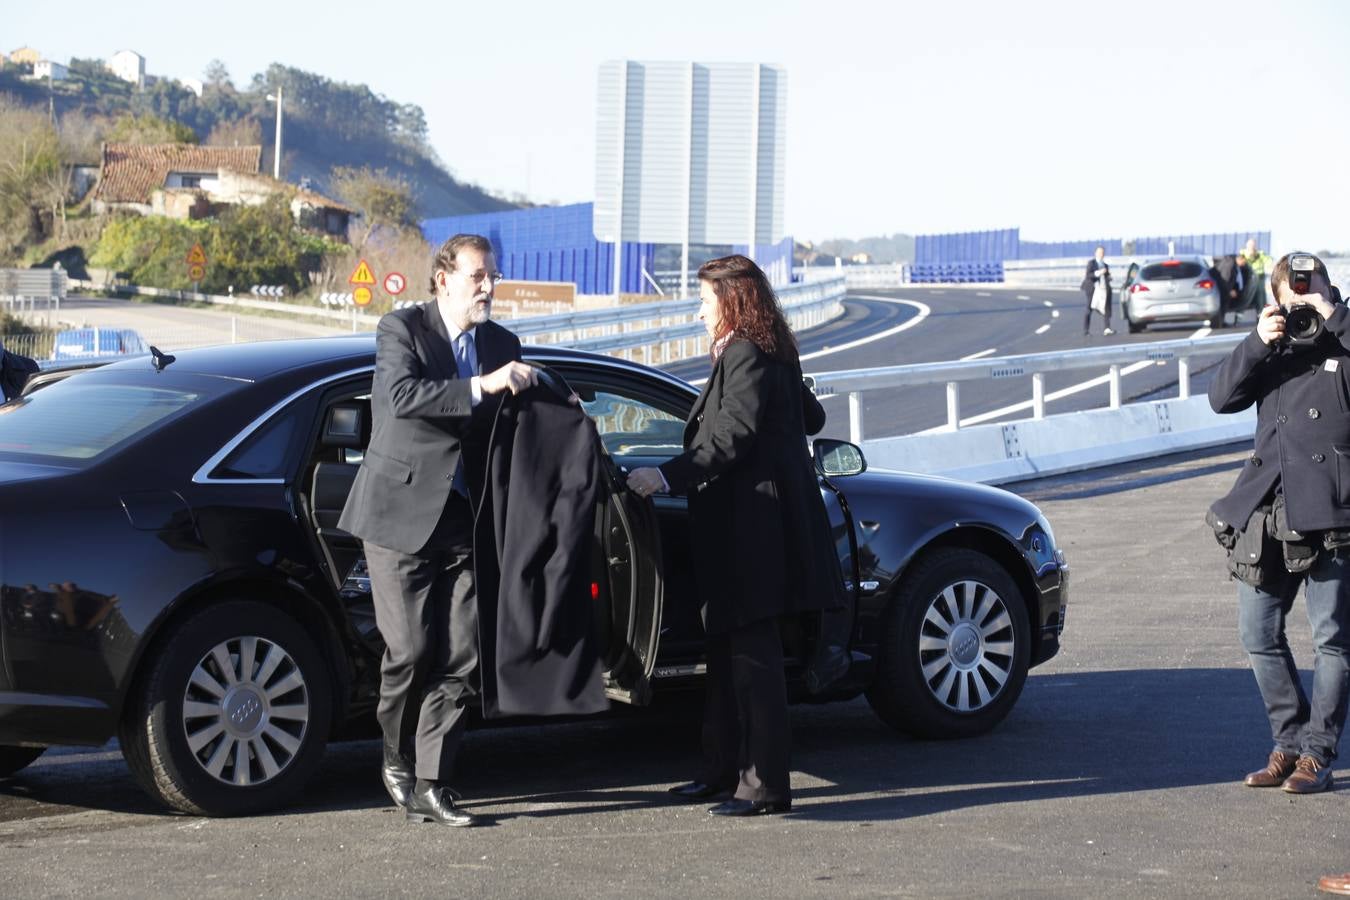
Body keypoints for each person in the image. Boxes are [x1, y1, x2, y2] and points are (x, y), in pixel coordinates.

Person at [625, 255, 844, 817]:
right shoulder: (770, 351)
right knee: (726, 659)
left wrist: (666, 475)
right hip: (746, 530)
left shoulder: (747, 352)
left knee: (753, 663)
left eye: (705, 301)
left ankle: (766, 785)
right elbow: (811, 420)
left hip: (754, 533)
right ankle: (722, 772)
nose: (699, 314)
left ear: (733, 300)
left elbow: (730, 438)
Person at [337, 233, 538, 827]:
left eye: (494, 276)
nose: (489, 287)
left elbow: (509, 426)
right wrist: (483, 385)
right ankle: (395, 755)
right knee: (412, 652)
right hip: (399, 517)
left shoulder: (501, 342)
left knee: (464, 655)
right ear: (444, 278)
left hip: (465, 519)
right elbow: (400, 397)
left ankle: (434, 780)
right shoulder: (402, 330)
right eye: (478, 276)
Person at [1206, 251, 1350, 795]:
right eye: (1290, 301)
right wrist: (1257, 342)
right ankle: (1288, 743)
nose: (1301, 311)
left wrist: (1333, 317)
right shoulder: (1273, 347)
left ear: (1330, 291)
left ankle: (1318, 754)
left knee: (1333, 640)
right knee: (1257, 633)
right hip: (1268, 512)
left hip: (1333, 511)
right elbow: (1221, 398)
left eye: (1309, 297)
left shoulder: (1343, 338)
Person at [1081, 246, 1114, 337]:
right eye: (1099, 252)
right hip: (1092, 289)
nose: (1101, 254)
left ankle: (1107, 328)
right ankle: (1086, 330)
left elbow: (1107, 276)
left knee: (1106, 308)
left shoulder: (1105, 265)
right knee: (1089, 308)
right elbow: (1089, 275)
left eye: (1102, 253)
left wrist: (1109, 277)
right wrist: (1099, 272)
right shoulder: (1091, 263)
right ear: (1095, 253)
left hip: (1103, 289)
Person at [1239, 237, 1273, 316]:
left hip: (1259, 277)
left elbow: (1269, 260)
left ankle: (1261, 312)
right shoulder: (1243, 254)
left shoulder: (1260, 254)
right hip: (1248, 278)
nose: (1252, 247)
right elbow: (1240, 262)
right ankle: (1240, 313)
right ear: (1247, 246)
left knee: (1260, 294)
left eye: (1253, 245)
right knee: (1247, 295)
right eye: (1250, 245)